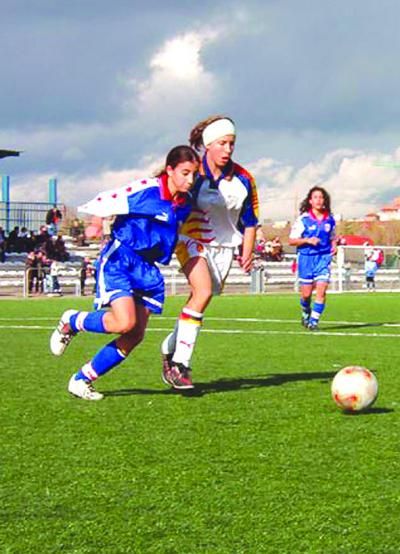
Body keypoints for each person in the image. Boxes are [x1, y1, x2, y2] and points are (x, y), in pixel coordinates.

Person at [50, 145, 199, 401]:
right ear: (171, 170)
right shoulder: (148, 190)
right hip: (121, 259)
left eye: (194, 174)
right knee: (124, 322)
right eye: (185, 173)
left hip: (148, 269)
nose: (190, 179)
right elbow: (109, 199)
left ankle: (81, 379)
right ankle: (72, 321)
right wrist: (97, 221)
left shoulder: (185, 203)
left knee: (134, 335)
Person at [161, 115, 259, 390]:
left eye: (232, 144)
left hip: (225, 248)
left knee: (201, 299)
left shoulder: (244, 178)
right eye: (223, 143)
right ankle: (180, 365)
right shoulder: (192, 171)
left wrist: (246, 252)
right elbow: (166, 196)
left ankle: (169, 346)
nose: (228, 149)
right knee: (202, 292)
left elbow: (250, 220)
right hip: (190, 240)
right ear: (208, 145)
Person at [288, 186, 336, 330]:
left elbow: (332, 236)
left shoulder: (330, 219)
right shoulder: (304, 219)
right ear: (310, 201)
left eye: (321, 197)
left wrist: (334, 245)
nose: (319, 200)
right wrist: (307, 240)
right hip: (306, 258)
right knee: (306, 294)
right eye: (315, 197)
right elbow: (291, 240)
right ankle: (305, 311)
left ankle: (314, 322)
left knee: (322, 289)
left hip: (323, 258)